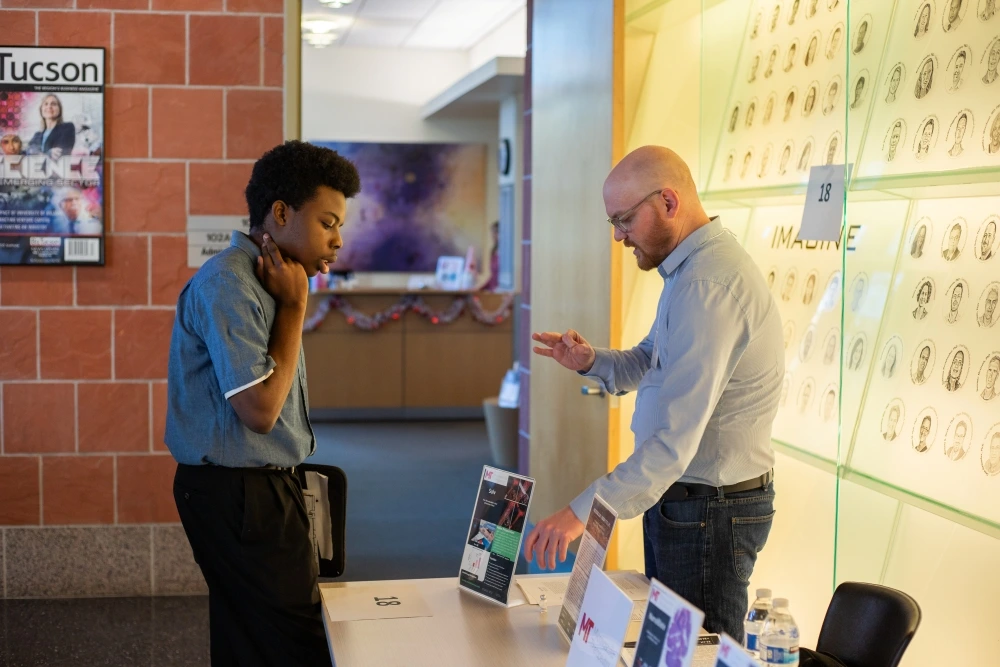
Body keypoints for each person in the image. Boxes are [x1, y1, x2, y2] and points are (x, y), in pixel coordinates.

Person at [524, 145, 782, 641]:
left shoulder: (709, 283)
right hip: (688, 503)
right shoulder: (690, 272)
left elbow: (672, 443)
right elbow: (651, 359)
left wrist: (581, 514)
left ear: (668, 201)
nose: (619, 236)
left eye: (624, 219)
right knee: (671, 649)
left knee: (697, 653)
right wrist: (592, 360)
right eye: (613, 223)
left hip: (709, 509)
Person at [166, 140, 360, 667]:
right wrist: (295, 309)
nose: (338, 240)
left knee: (251, 639)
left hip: (262, 485)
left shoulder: (270, 278)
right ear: (280, 213)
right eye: (328, 222)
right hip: (238, 492)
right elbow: (259, 410)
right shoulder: (231, 282)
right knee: (295, 642)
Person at [26, 94, 75, 159]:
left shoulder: (67, 128)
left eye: (53, 104)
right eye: (46, 104)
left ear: (59, 109)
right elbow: (29, 152)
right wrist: (48, 153)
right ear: (41, 110)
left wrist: (40, 154)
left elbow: (59, 154)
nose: (49, 106)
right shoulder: (37, 135)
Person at [481, 221, 500, 291]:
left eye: (496, 232)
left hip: (501, 291)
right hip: (493, 290)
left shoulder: (506, 255)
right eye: (492, 233)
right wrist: (481, 288)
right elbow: (493, 277)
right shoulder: (493, 251)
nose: (493, 235)